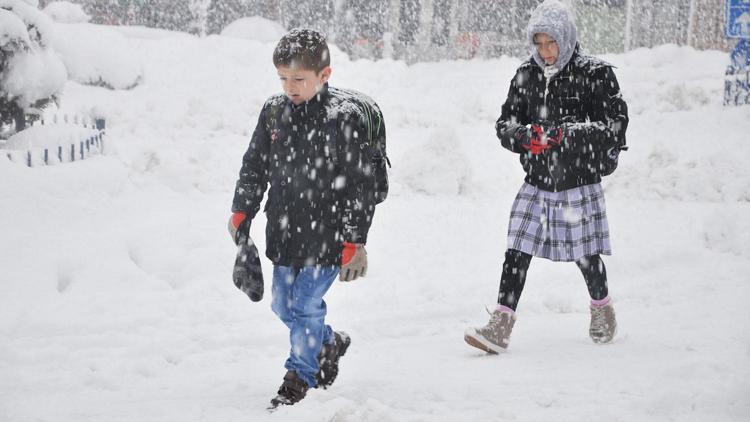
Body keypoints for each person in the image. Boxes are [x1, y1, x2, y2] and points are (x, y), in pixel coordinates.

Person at [228, 29, 382, 407]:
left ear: (324, 75)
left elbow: (359, 186)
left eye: (299, 78)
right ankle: (327, 343)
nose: (290, 86)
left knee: (306, 305)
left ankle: (299, 374)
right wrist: (242, 210)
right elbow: (254, 165)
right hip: (284, 230)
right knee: (283, 305)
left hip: (327, 233)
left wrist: (352, 240)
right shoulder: (274, 112)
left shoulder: (342, 118)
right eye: (283, 78)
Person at [464, 0, 629, 354]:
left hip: (578, 181)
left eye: (552, 42)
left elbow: (614, 128)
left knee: (585, 255)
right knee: (517, 250)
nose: (546, 51)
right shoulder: (526, 74)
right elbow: (504, 124)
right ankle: (501, 324)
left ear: (567, 38)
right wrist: (526, 136)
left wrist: (565, 134)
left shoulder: (596, 74)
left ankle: (602, 309)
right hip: (538, 181)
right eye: (539, 44)